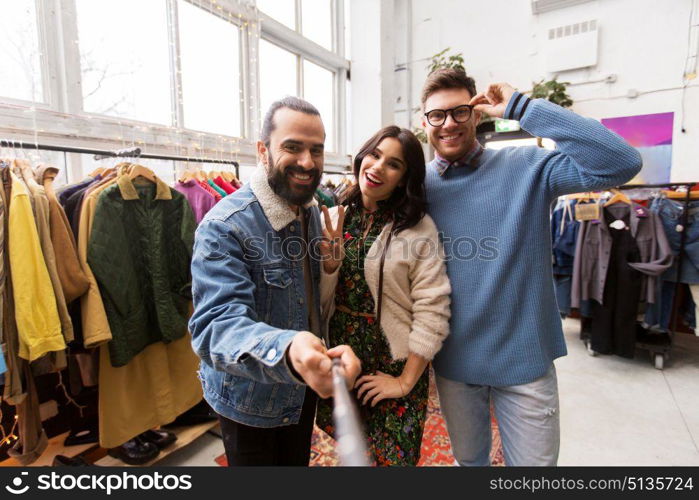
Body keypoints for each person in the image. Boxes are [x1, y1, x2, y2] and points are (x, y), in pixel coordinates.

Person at [420, 69, 642, 466]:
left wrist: (522, 107)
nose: (449, 123)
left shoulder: (528, 167)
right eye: (437, 115)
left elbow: (621, 163)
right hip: (454, 363)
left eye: (459, 112)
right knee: (470, 465)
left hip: (524, 361)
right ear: (424, 123)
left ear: (477, 114)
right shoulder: (418, 189)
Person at [188, 96, 361, 466]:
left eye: (316, 150)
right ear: (263, 150)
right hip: (250, 401)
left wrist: (330, 268)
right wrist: (288, 349)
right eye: (293, 147)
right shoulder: (224, 227)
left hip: (299, 391)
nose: (307, 161)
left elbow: (306, 302)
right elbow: (216, 326)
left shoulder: (311, 212)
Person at [316, 126, 451, 466]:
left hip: (393, 359)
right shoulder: (334, 218)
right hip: (344, 354)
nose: (377, 167)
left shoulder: (418, 229)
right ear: (362, 157)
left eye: (393, 164)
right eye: (375, 155)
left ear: (405, 178)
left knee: (395, 458)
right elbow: (317, 299)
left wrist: (405, 381)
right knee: (352, 447)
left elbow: (432, 309)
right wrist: (330, 266)